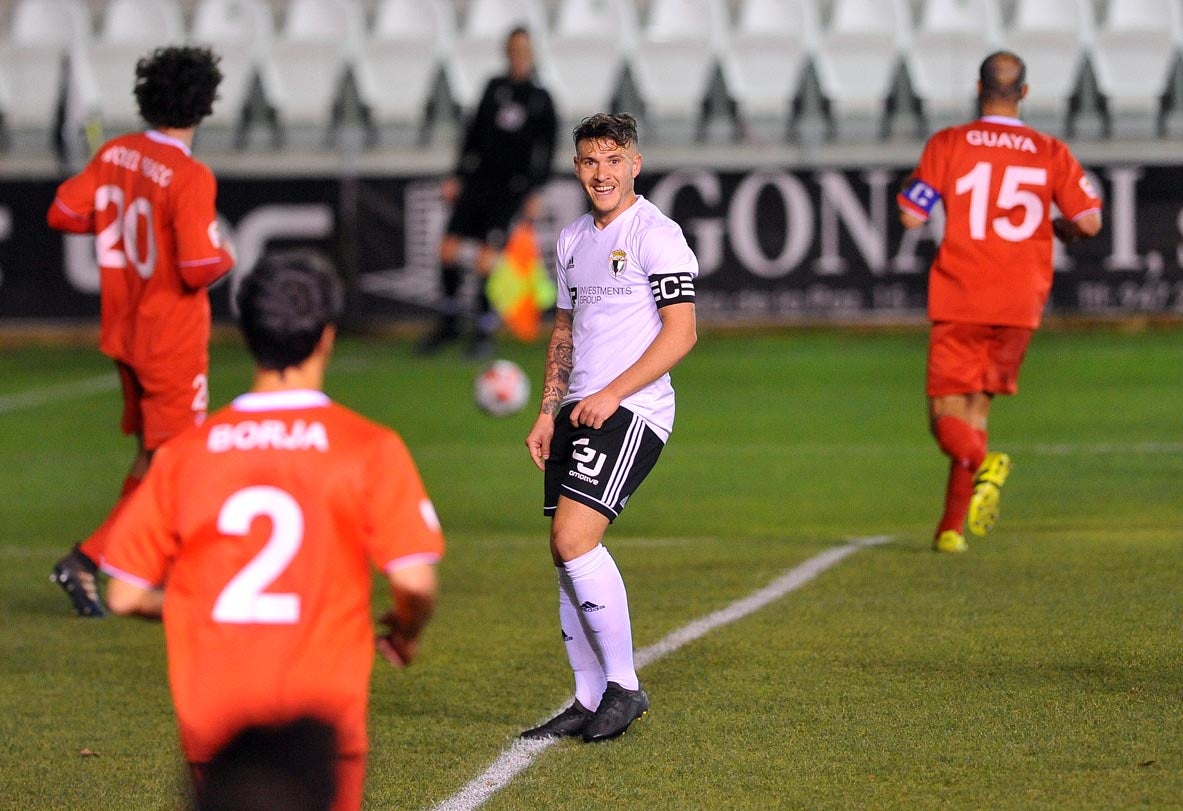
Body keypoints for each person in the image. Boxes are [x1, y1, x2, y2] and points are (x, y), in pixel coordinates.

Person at [100, 249, 445, 811]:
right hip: (321, 726)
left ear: (247, 334)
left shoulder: (187, 454)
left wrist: (191, 602)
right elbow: (415, 583)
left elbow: (122, 594)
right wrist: (406, 632)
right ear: (327, 336)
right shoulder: (367, 447)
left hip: (216, 723)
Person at [521, 113, 698, 742]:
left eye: (614, 160)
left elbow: (683, 333)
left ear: (635, 165)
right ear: (577, 168)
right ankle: (587, 695)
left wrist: (611, 394)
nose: (602, 173)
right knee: (563, 552)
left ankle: (623, 688)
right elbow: (564, 330)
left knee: (575, 538)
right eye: (591, 162)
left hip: (633, 409)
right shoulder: (571, 239)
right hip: (578, 409)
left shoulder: (658, 234)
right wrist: (548, 410)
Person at [47, 45, 236, 617]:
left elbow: (61, 211)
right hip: (170, 341)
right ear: (203, 104)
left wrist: (113, 213)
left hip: (124, 334)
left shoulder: (117, 154)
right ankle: (87, 560)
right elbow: (197, 268)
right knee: (176, 465)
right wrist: (227, 254)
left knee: (153, 457)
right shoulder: (189, 173)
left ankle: (157, 564)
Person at [897, 51, 1102, 554]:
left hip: (963, 292)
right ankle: (950, 530)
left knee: (945, 414)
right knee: (976, 411)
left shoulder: (950, 143)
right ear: (1025, 92)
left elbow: (911, 217)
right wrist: (1060, 227)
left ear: (977, 87)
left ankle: (983, 465)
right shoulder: (1048, 149)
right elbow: (1091, 221)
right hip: (1021, 300)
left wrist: (911, 191)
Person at [416, 25, 558, 360]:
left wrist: (535, 191)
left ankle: (482, 329)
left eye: (523, 50)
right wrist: (457, 175)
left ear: (531, 54)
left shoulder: (540, 98)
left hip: (512, 188)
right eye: (513, 50)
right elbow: (474, 135)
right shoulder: (494, 88)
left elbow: (546, 150)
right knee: (448, 250)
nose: (518, 56)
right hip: (478, 181)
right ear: (507, 52)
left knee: (486, 258)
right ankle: (448, 322)